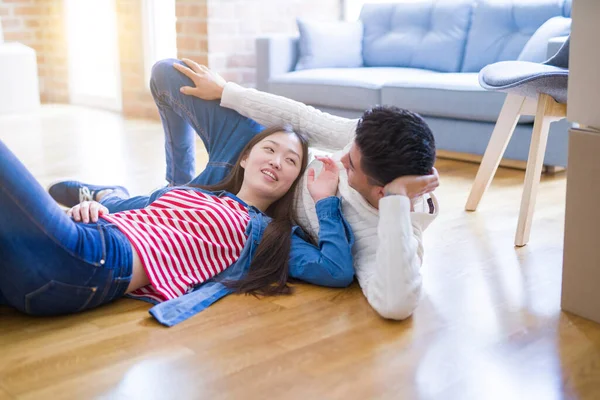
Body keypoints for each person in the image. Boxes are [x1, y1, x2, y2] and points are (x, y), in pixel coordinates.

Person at [51, 58, 439, 320]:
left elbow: (396, 303)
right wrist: (225, 92)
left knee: (159, 208)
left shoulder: (380, 236)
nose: (337, 160)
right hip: (262, 150)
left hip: (261, 196)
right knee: (168, 72)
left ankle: (111, 197)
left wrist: (387, 207)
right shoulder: (366, 140)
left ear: (381, 194)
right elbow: (304, 118)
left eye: (349, 166)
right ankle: (177, 181)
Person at [0, 125, 355, 327]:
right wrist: (93, 207)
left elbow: (336, 270)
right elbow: (139, 212)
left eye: (291, 160)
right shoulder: (193, 195)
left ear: (294, 179)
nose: (277, 161)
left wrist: (325, 201)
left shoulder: (264, 233)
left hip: (88, 264)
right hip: (62, 250)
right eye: (270, 149)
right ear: (246, 157)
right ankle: (104, 192)